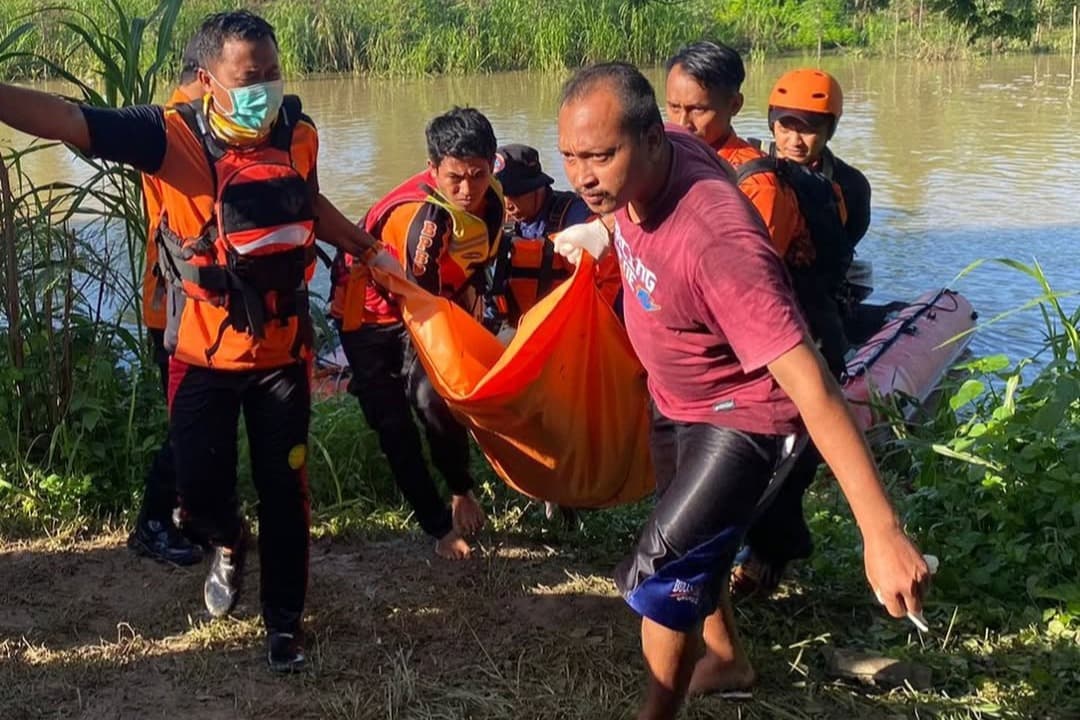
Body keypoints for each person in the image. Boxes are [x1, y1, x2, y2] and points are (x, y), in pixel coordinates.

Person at [0, 9, 385, 672]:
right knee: (198, 498)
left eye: (272, 72)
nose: (262, 87)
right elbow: (67, 120)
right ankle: (229, 541)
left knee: (285, 489)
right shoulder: (168, 135)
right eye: (247, 76)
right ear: (207, 81)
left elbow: (309, 205)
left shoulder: (299, 133)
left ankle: (284, 626)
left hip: (282, 354)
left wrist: (367, 247)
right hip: (200, 356)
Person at [554, 62, 929, 719]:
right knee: (697, 540)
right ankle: (727, 660)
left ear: (648, 141)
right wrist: (604, 233)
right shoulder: (663, 159)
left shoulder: (719, 242)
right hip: (676, 396)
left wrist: (881, 530)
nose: (583, 176)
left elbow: (813, 384)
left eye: (600, 157)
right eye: (571, 156)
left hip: (742, 417)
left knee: (662, 573)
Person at [731, 68, 883, 598]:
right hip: (759, 322)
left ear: (830, 129)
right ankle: (740, 540)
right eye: (786, 124)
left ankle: (771, 552)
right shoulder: (751, 174)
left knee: (798, 451)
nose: (796, 138)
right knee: (749, 439)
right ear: (771, 123)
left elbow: (846, 244)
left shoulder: (851, 188)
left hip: (815, 322)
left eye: (810, 127)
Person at [328, 107, 502, 560]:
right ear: (433, 170)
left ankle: (461, 489)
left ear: (493, 164)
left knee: (436, 400)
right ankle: (438, 526)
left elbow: (474, 266)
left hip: (420, 302)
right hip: (367, 318)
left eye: (478, 175)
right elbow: (422, 308)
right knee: (399, 422)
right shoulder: (425, 221)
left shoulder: (494, 200)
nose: (467, 190)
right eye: (455, 179)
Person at [126, 32, 206, 567]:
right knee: (190, 421)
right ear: (207, 76)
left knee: (200, 420)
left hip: (189, 304)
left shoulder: (194, 127)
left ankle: (186, 514)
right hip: (176, 306)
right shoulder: (175, 129)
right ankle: (153, 523)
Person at [664, 41, 806, 258]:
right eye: (674, 107)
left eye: (698, 110)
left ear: (735, 105)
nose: (682, 123)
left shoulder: (757, 185)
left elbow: (753, 275)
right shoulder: (665, 159)